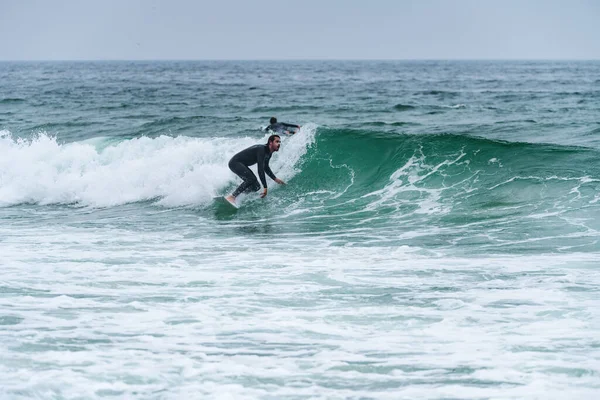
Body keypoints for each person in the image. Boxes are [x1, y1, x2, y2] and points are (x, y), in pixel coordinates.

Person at [225, 135, 285, 205]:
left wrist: (275, 179)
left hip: (241, 164)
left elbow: (265, 167)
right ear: (270, 142)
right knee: (251, 179)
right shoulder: (261, 149)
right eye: (277, 142)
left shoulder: (269, 154)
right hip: (235, 163)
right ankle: (232, 196)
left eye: (279, 142)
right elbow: (260, 169)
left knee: (256, 187)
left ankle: (237, 196)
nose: (279, 144)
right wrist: (265, 187)